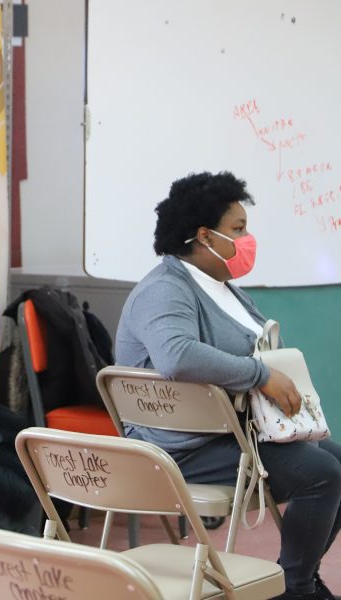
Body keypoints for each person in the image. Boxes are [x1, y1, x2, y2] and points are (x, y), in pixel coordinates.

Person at [115, 171, 341, 600]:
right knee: (322, 474)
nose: (247, 239)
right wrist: (262, 376)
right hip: (180, 445)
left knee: (338, 465)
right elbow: (176, 355)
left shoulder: (222, 287)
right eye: (238, 229)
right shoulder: (164, 290)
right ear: (204, 236)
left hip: (230, 431)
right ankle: (295, 588)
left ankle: (295, 580)